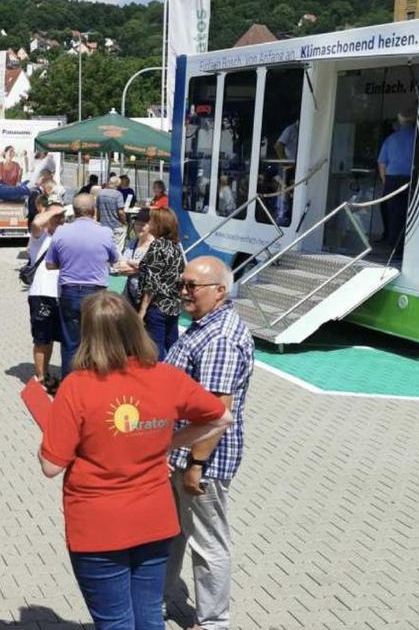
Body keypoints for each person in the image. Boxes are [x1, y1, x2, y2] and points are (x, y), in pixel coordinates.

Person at [39, 291, 233, 630]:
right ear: (134, 326)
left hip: (98, 525)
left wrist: (48, 434)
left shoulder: (77, 386)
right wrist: (168, 442)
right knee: (148, 618)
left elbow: (51, 466)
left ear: (88, 334)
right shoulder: (165, 376)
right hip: (154, 518)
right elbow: (221, 418)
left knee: (116, 622)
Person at [164, 256, 254, 630]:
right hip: (183, 454)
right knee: (171, 533)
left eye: (192, 286)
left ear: (219, 291)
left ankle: (213, 622)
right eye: (182, 284)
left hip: (202, 461)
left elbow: (216, 412)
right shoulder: (206, 326)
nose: (184, 291)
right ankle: (157, 601)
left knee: (207, 543)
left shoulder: (219, 339)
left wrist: (195, 465)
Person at [45, 193, 119, 381]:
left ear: (75, 211)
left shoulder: (61, 232)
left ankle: (69, 384)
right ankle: (95, 383)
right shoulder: (105, 232)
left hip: (69, 291)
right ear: (93, 210)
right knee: (96, 340)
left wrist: (68, 263)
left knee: (70, 342)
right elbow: (114, 259)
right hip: (96, 292)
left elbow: (50, 264)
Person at [136, 208, 185, 360]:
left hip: (157, 306)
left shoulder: (157, 246)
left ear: (158, 224)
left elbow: (152, 281)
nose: (148, 223)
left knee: (155, 350)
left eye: (151, 220)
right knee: (172, 346)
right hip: (173, 305)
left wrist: (142, 311)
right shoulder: (175, 246)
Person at [27, 197, 65, 387]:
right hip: (42, 293)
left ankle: (62, 375)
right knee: (43, 338)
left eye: (62, 217)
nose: (60, 219)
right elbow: (36, 224)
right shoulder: (40, 236)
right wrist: (53, 211)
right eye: (56, 217)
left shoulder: (66, 235)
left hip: (64, 293)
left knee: (64, 338)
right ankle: (41, 377)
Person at [377, 111, 417, 256]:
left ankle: (395, 249)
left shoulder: (391, 139)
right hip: (412, 179)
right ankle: (411, 249)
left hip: (392, 180)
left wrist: (385, 181)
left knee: (394, 215)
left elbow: (382, 163)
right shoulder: (418, 139)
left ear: (400, 122)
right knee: (413, 214)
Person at [113, 208, 152, 310]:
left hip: (149, 300)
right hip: (130, 296)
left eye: (143, 225)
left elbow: (156, 270)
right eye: (137, 223)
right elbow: (120, 267)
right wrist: (142, 267)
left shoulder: (156, 245)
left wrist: (132, 264)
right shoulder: (132, 242)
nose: (138, 227)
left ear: (152, 226)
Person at [96, 175, 127, 251]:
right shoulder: (118, 194)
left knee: (104, 247)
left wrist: (98, 220)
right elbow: (120, 212)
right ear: (118, 184)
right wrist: (124, 222)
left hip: (103, 225)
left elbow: (97, 210)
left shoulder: (100, 193)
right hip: (116, 225)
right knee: (117, 249)